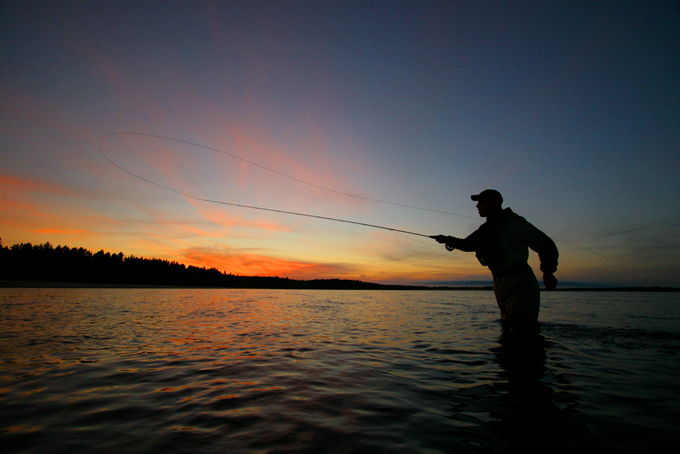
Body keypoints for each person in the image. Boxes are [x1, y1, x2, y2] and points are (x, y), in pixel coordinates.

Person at [432, 189, 558, 333]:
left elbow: (546, 244)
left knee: (523, 329)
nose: (477, 206)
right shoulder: (487, 228)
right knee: (507, 327)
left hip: (519, 281)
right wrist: (447, 240)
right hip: (499, 282)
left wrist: (548, 272)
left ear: (495, 204)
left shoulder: (514, 222)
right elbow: (468, 244)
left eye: (482, 202)